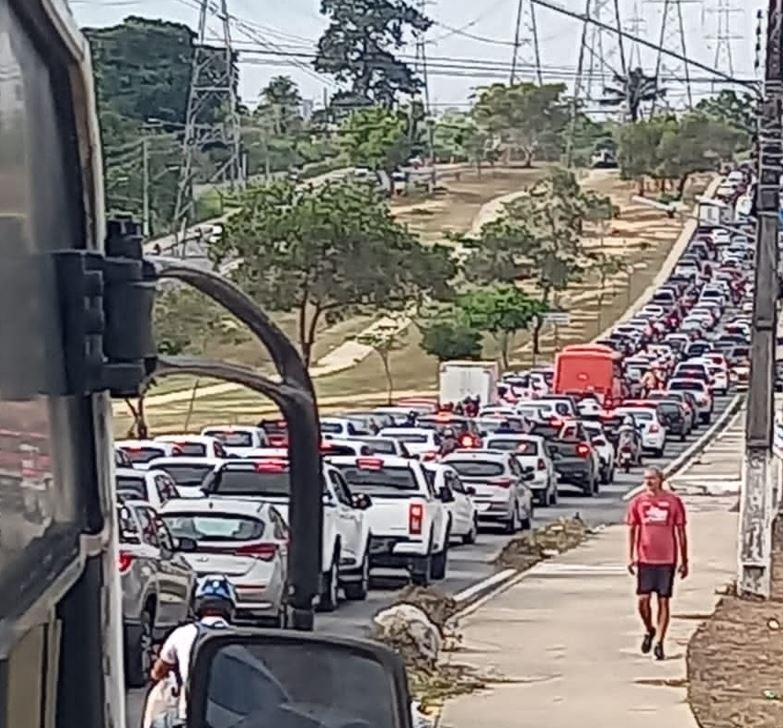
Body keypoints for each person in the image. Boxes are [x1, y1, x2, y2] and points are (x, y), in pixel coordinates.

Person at [148, 574, 238, 727]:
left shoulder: (182, 634)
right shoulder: (238, 639)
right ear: (230, 608)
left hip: (189, 719)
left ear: (197, 605)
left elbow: (158, 673)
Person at [626, 467, 688, 661]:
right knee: (643, 600)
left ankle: (660, 642)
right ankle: (649, 629)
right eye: (646, 479)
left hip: (667, 559)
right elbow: (632, 529)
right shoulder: (638, 502)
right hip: (645, 558)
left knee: (663, 601)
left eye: (652, 478)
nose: (649, 482)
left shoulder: (673, 502)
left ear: (661, 479)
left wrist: (684, 560)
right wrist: (631, 556)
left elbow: (681, 532)